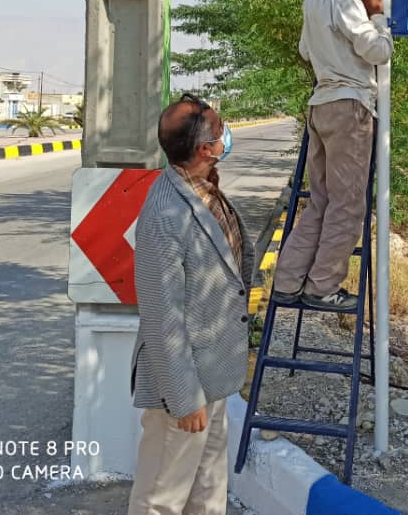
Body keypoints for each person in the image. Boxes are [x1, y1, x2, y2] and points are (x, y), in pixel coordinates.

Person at [128, 95, 251, 515]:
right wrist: (184, 398)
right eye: (220, 132)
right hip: (184, 387)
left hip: (214, 375)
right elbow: (162, 316)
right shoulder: (166, 213)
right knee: (161, 498)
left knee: (208, 492)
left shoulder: (203, 189)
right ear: (204, 149)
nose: (225, 137)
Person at [271, 0, 393, 313]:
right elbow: (377, 52)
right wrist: (378, 17)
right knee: (348, 204)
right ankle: (323, 286)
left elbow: (306, 50)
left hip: (321, 105)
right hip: (350, 106)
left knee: (322, 201)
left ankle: (288, 282)